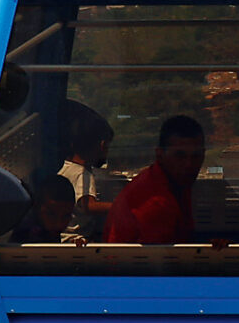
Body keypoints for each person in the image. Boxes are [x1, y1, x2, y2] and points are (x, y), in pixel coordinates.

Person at [107, 116, 207, 244]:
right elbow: (162, 259)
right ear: (159, 155)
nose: (189, 164)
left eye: (196, 156)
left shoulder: (176, 183)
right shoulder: (155, 201)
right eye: (179, 156)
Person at [59, 101, 118, 238]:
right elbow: (88, 205)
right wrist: (119, 207)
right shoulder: (82, 174)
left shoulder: (66, 167)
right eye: (108, 147)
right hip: (75, 238)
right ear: (102, 146)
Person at [14, 173, 79, 245]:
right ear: (37, 207)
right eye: (51, 215)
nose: (59, 224)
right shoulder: (23, 235)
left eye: (66, 216)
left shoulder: (51, 232)